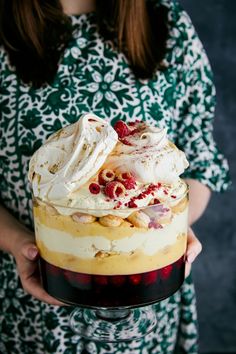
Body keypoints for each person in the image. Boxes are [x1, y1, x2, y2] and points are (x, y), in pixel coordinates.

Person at [0, 0, 230, 353]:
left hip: (149, 310)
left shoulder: (167, 24)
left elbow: (199, 161)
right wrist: (18, 243)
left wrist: (173, 223)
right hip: (26, 306)